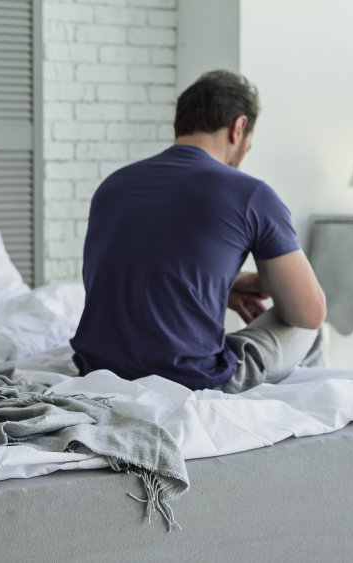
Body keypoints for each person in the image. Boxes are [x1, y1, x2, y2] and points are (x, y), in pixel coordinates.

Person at [70, 70, 327, 393]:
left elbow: (134, 266)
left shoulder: (113, 185)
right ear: (239, 127)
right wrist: (271, 285)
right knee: (312, 328)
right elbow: (309, 313)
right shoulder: (250, 194)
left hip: (98, 369)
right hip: (190, 380)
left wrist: (225, 284)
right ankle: (315, 418)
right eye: (250, 143)